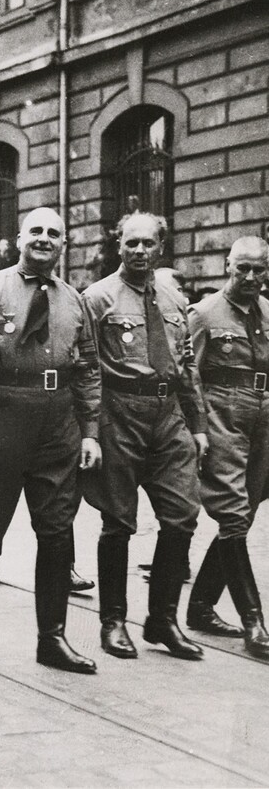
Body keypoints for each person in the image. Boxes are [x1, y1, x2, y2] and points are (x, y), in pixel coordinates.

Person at [0, 207, 101, 674]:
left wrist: (89, 431)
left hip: (57, 422)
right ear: (18, 238)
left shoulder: (75, 300)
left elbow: (87, 369)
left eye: (54, 233)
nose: (45, 239)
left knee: (56, 530)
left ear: (63, 243)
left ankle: (53, 639)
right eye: (36, 231)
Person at [81, 211, 207, 661]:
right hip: (121, 412)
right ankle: (113, 620)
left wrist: (198, 426)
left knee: (181, 515)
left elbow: (187, 366)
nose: (138, 251)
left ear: (160, 248)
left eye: (147, 244)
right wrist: (91, 430)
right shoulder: (97, 299)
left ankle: (163, 621)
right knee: (118, 520)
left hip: (168, 414)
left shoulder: (174, 300)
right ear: (118, 246)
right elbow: (86, 370)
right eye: (130, 243)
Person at [186, 236, 269, 657]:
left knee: (247, 511)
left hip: (263, 419)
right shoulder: (203, 314)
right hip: (222, 417)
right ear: (227, 266)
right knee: (234, 513)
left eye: (260, 269)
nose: (251, 277)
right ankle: (255, 623)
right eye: (243, 269)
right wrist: (197, 429)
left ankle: (200, 607)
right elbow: (190, 376)